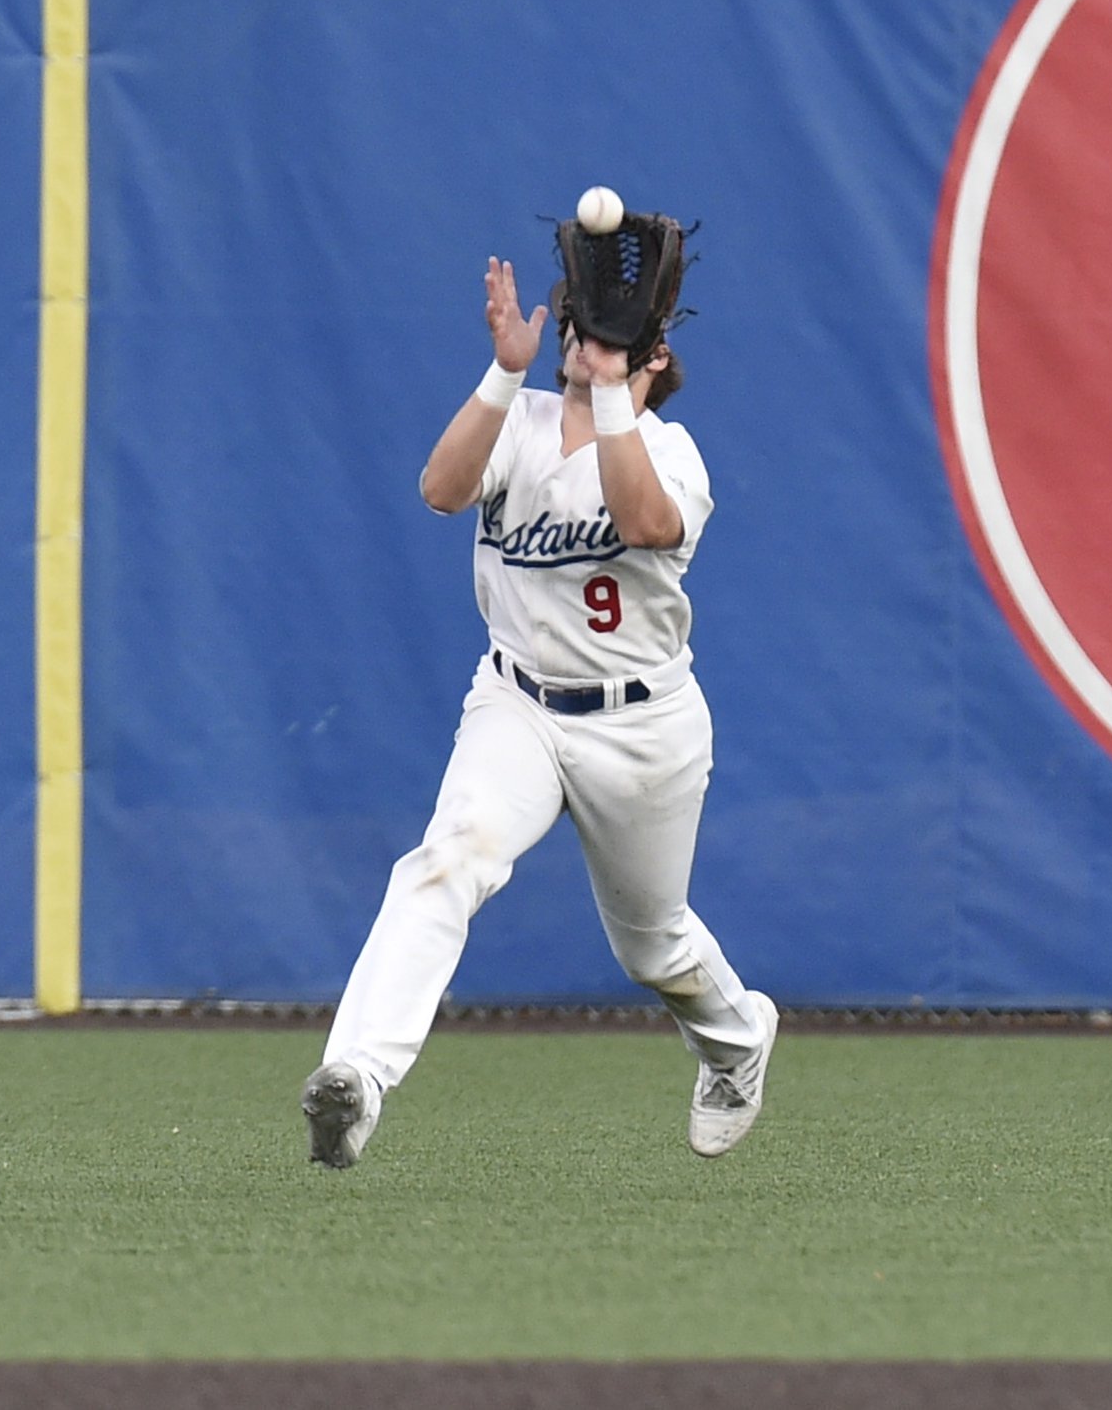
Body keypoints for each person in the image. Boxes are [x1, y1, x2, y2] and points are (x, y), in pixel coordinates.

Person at [301, 238, 778, 1167]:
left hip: (643, 725)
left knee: (654, 946)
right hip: (517, 704)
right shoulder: (515, 422)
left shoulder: (675, 454)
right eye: (577, 324)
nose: (583, 340)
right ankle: (354, 1079)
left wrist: (609, 390)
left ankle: (737, 1040)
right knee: (449, 858)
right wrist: (501, 371)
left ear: (656, 357)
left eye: (608, 332)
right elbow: (439, 491)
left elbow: (640, 518)